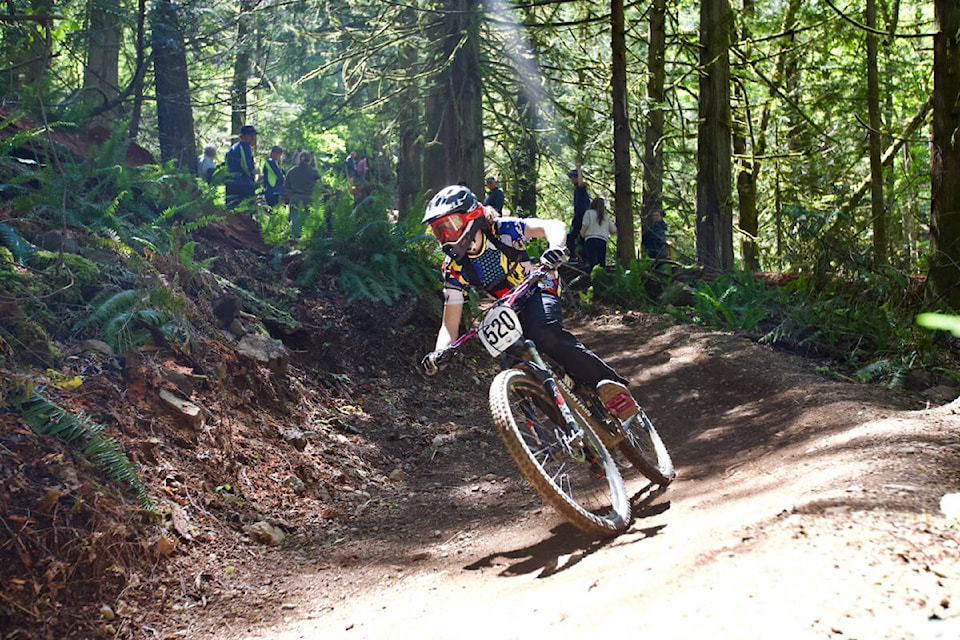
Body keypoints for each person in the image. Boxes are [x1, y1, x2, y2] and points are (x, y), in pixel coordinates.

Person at [419, 184, 640, 423]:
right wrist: (439, 353)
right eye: (438, 232)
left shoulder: (502, 230)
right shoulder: (454, 269)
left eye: (448, 227)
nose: (444, 238)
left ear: (472, 217)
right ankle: (571, 432)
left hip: (538, 286)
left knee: (543, 330)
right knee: (518, 365)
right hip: (510, 308)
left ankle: (609, 388)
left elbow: (552, 226)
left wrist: (555, 248)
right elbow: (449, 326)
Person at [284, 151, 320, 241]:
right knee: (307, 223)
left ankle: (295, 241)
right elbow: (320, 187)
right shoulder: (314, 172)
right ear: (310, 160)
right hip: (309, 199)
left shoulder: (291, 171)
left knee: (295, 222)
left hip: (295, 199)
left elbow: (286, 187)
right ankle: (306, 241)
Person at [225, 125, 258, 209]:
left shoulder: (234, 147)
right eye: (251, 135)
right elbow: (247, 166)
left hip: (231, 184)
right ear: (244, 135)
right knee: (246, 212)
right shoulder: (244, 147)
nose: (253, 138)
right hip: (243, 185)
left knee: (232, 211)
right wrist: (255, 171)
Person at [579, 197, 616, 272]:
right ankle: (601, 279)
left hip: (591, 240)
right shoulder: (606, 216)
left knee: (592, 262)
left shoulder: (588, 213)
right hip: (602, 241)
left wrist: (582, 235)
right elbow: (613, 230)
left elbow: (585, 225)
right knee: (601, 263)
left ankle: (592, 279)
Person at [565, 164, 590, 263]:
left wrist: (579, 169)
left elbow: (581, 183)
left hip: (581, 217)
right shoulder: (577, 189)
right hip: (579, 216)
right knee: (578, 238)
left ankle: (575, 257)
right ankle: (580, 257)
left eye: (572, 177)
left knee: (572, 237)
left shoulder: (581, 188)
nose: (571, 179)